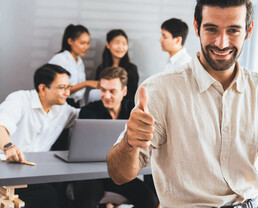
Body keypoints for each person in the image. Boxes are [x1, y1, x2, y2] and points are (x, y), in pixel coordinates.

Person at [107, 0, 258, 208]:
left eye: (233, 30)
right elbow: (119, 175)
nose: (221, 43)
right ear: (197, 27)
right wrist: (129, 143)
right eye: (211, 29)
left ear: (249, 30)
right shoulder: (160, 90)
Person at [70, 67, 158, 208]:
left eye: (112, 91)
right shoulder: (89, 111)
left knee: (150, 201)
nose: (106, 95)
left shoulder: (134, 112)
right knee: (86, 201)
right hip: (92, 175)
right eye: (103, 90)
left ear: (124, 91)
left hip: (119, 172)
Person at [0, 63, 79, 208]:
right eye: (62, 88)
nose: (68, 93)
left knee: (53, 198)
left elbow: (86, 119)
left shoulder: (64, 110)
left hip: (36, 175)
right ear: (43, 88)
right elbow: (1, 126)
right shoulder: (19, 99)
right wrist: (8, 147)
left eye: (69, 87)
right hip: (6, 171)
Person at [49, 24, 99, 108]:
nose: (86, 47)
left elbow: (79, 94)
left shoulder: (79, 61)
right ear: (70, 41)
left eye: (88, 43)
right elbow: (58, 89)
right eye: (82, 43)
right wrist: (86, 83)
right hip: (62, 104)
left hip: (77, 105)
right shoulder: (60, 59)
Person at [95, 29, 139, 109]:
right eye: (116, 43)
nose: (121, 47)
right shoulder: (101, 68)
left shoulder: (132, 69)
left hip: (126, 110)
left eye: (124, 44)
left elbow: (133, 96)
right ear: (108, 45)